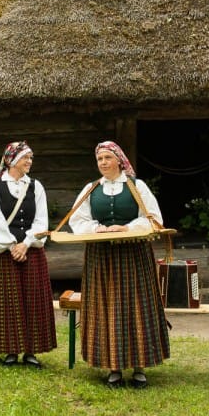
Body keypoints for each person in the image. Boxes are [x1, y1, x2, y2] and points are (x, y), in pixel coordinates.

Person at [68, 141, 168, 388]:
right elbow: (77, 220)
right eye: (99, 159)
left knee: (137, 306)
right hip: (101, 255)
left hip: (134, 254)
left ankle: (139, 367)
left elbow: (154, 219)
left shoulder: (136, 186)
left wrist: (127, 228)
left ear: (119, 161)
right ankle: (113, 367)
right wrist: (97, 229)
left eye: (107, 158)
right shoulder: (91, 189)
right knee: (105, 306)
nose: (103, 163)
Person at [0, 141, 56, 367]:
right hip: (6, 253)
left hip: (31, 251)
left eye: (30, 158)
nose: (29, 161)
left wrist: (26, 244)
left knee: (33, 299)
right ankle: (11, 350)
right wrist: (12, 246)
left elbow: (41, 219)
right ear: (11, 160)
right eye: (25, 157)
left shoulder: (36, 186)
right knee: (9, 302)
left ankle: (31, 350)